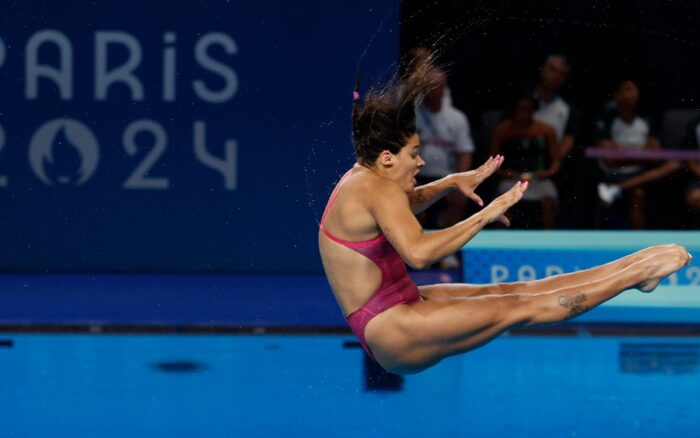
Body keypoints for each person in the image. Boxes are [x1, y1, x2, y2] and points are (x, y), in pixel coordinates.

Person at [318, 56, 691, 375]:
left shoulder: (364, 178)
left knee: (510, 290)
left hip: (400, 306)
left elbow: (402, 208)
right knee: (521, 307)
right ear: (387, 158)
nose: (421, 161)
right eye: (414, 154)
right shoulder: (375, 187)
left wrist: (450, 181)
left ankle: (631, 265)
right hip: (392, 329)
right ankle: (638, 274)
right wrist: (487, 213)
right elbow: (418, 253)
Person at [595, 79, 681, 229]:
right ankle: (616, 187)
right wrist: (642, 154)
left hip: (641, 172)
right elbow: (609, 159)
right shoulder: (607, 120)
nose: (632, 94)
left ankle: (617, 188)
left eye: (634, 90)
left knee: (674, 164)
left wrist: (621, 152)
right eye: (627, 89)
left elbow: (656, 155)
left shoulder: (647, 120)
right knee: (638, 193)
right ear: (616, 96)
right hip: (615, 173)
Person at [415, 67, 475, 229]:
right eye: (429, 86)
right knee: (411, 201)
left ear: (444, 89)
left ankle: (451, 250)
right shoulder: (411, 117)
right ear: (422, 88)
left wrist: (459, 181)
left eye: (437, 86)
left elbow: (465, 153)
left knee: (460, 198)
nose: (433, 91)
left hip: (446, 178)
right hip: (417, 178)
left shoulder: (457, 118)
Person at [491, 93, 560, 228]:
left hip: (539, 179)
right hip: (511, 179)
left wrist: (546, 173)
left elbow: (556, 162)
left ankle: (549, 239)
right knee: (502, 201)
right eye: (521, 109)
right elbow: (492, 163)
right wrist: (505, 173)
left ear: (533, 110)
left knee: (550, 198)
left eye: (527, 109)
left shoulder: (546, 130)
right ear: (514, 110)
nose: (524, 113)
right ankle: (500, 237)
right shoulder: (501, 130)